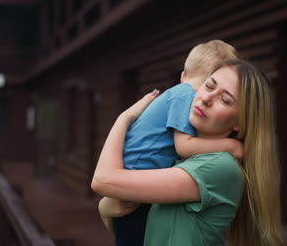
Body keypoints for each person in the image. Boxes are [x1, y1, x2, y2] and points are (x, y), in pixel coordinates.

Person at [92, 59, 284, 245]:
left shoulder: (219, 166)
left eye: (224, 100)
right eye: (209, 86)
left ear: (239, 125)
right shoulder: (183, 159)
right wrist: (109, 208)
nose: (207, 98)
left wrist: (124, 119)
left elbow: (103, 180)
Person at [100, 40, 240, 245]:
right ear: (183, 79)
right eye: (207, 86)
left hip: (136, 175)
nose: (202, 99)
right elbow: (184, 146)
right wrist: (231, 146)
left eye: (224, 98)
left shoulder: (179, 93)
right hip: (138, 175)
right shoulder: (185, 94)